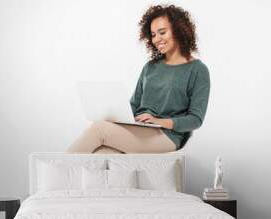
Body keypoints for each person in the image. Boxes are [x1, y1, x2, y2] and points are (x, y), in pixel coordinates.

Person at [67, 4, 210, 154]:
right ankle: (60, 174)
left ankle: (54, 169)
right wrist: (115, 116)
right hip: (140, 128)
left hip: (167, 135)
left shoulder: (198, 70)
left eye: (162, 32)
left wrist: (158, 121)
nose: (157, 39)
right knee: (101, 154)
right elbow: (134, 105)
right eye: (153, 35)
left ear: (179, 30)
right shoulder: (150, 67)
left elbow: (195, 119)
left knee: (98, 129)